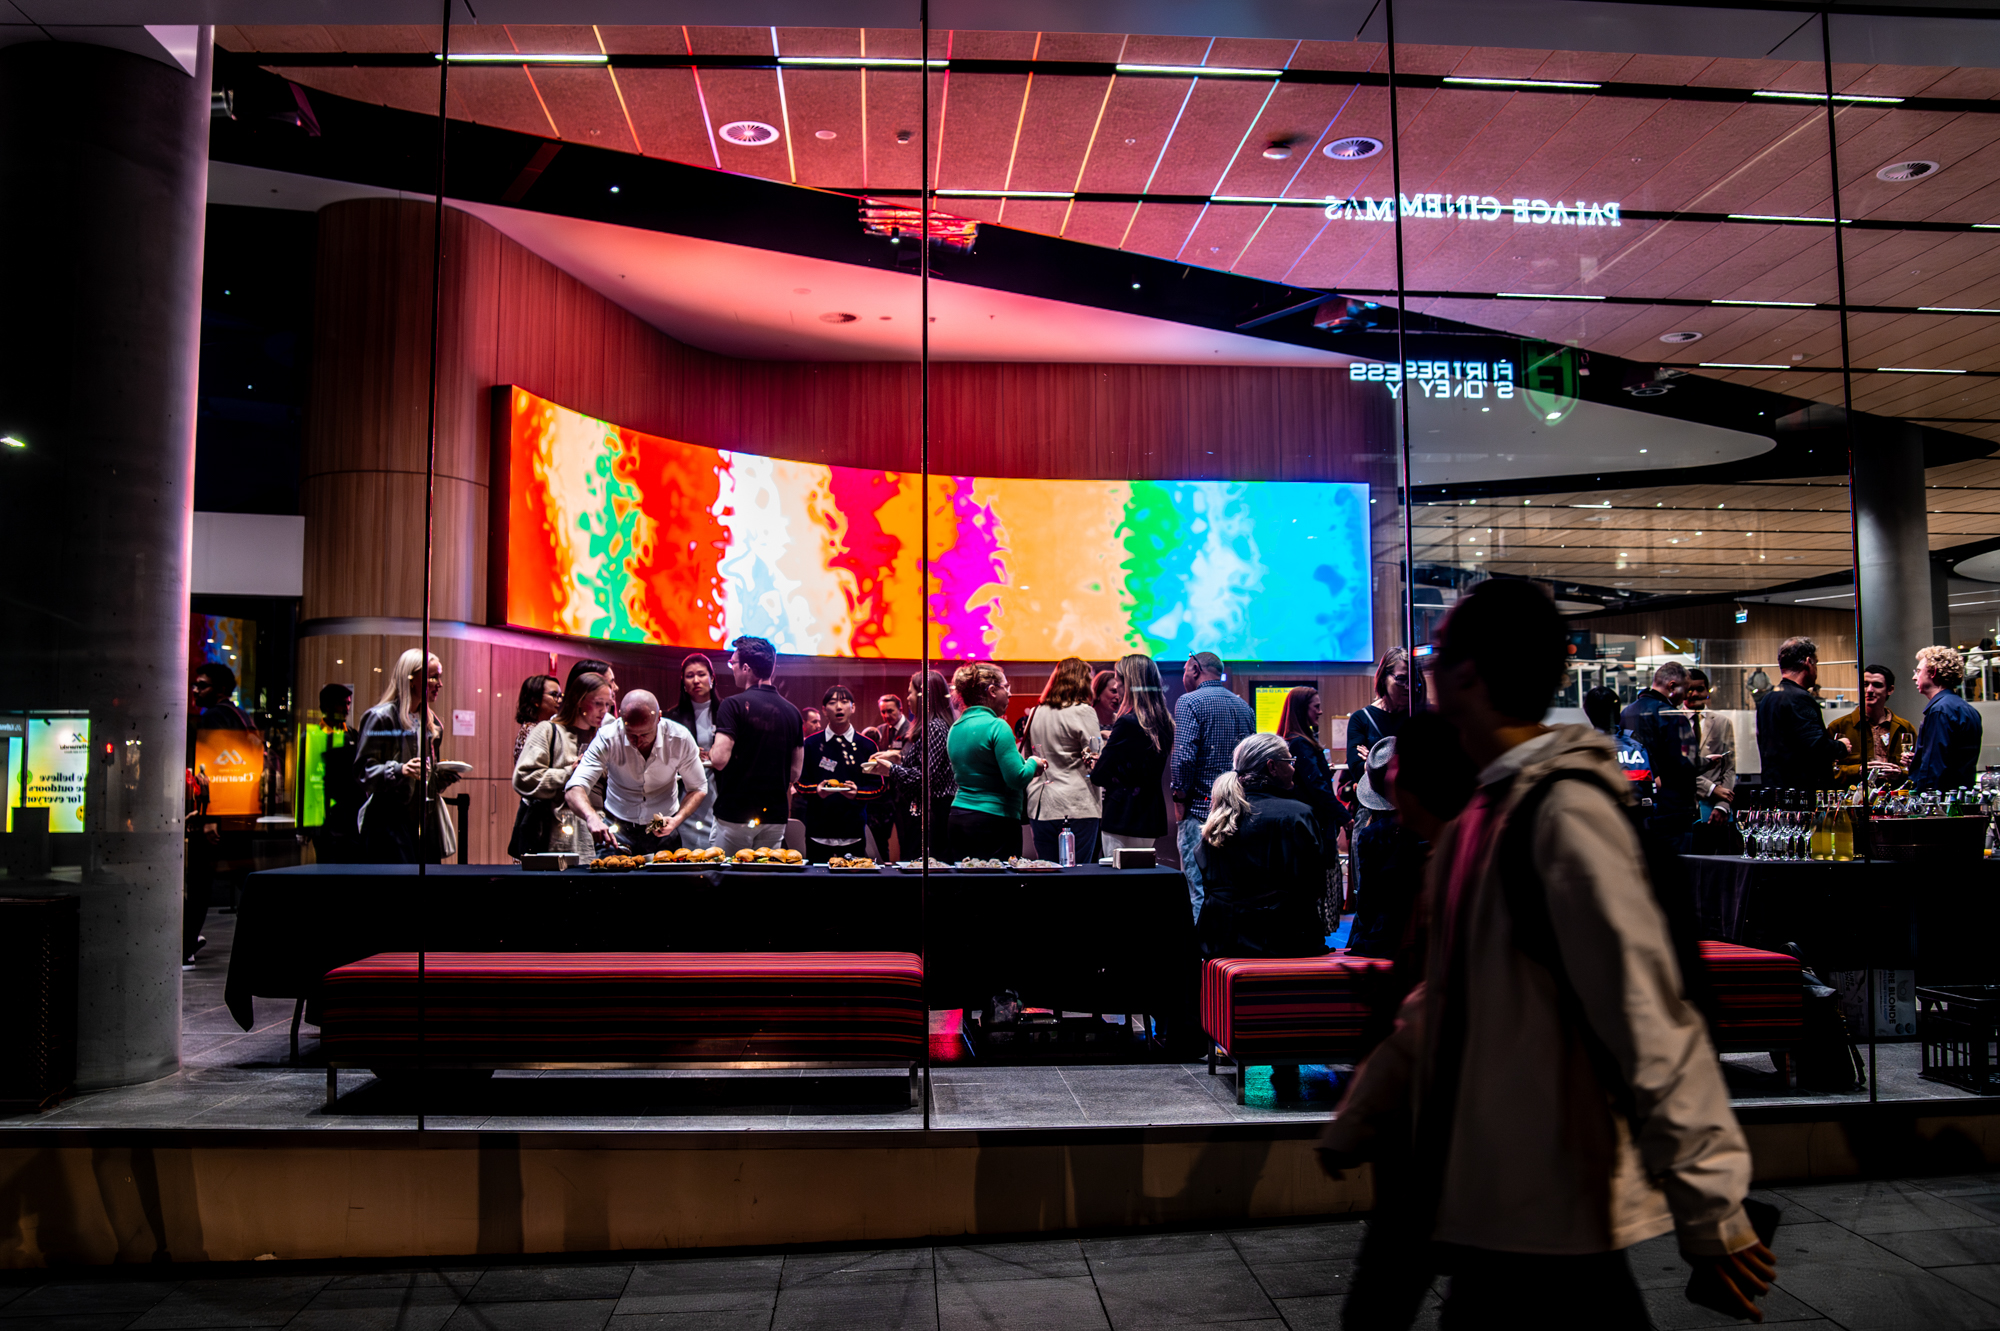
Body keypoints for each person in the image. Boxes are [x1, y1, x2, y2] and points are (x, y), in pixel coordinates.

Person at [1320, 578, 1772, 1330]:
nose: (1426, 675)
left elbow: (1644, 1014)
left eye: (1435, 656)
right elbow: (1448, 1000)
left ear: (1466, 674)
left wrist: (1713, 1208)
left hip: (1554, 1207)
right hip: (1501, 1202)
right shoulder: (1483, 819)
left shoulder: (1561, 813)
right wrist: (1365, 1107)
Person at [1194, 732, 1331, 961]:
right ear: (1273, 767)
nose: (1294, 768)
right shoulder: (1298, 814)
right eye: (1290, 762)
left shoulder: (1220, 816)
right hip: (1285, 941)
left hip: (1219, 941)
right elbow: (1313, 888)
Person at [565, 690, 706, 856]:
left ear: (659, 718)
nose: (638, 742)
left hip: (664, 827)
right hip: (616, 827)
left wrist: (677, 820)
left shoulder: (680, 738)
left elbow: (698, 787)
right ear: (622, 720)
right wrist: (591, 817)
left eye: (645, 734)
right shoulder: (608, 737)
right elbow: (574, 788)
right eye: (631, 734)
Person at [1170, 652, 1256, 921]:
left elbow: (1183, 757)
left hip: (1199, 810)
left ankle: (1198, 960)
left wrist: (1179, 797)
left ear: (1195, 669)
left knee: (1197, 890)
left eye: (1185, 670)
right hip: (1237, 813)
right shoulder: (1245, 708)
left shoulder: (1189, 702)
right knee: (1232, 890)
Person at [353, 648, 460, 864]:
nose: (439, 684)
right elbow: (363, 772)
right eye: (433, 677)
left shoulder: (433, 723)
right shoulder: (380, 718)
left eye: (439, 677)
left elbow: (427, 777)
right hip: (389, 825)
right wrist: (400, 769)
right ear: (411, 679)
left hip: (422, 824)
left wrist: (443, 776)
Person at [185, 661, 256, 965]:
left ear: (221, 689)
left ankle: (185, 946)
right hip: (240, 812)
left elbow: (213, 768)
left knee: (200, 882)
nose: (195, 690)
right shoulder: (243, 717)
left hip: (217, 815)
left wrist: (209, 816)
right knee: (246, 880)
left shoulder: (215, 717)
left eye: (202, 685)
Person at [709, 635, 805, 855]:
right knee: (765, 880)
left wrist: (709, 753)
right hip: (775, 815)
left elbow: (719, 759)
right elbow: (795, 772)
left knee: (729, 879)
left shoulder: (732, 705)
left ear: (746, 668)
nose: (731, 667)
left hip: (736, 814)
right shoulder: (793, 712)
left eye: (733, 663)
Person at [947, 661, 1048, 859]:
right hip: (994, 822)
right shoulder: (998, 726)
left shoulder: (955, 727)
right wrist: (1033, 763)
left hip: (959, 818)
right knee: (998, 888)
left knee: (967, 887)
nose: (1009, 694)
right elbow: (1017, 778)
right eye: (1006, 687)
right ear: (992, 690)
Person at [514, 672, 614, 860]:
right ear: (578, 700)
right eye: (598, 703)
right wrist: (569, 772)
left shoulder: (605, 737)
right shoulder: (549, 730)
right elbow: (523, 778)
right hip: (560, 832)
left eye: (608, 705)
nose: (604, 711)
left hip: (602, 832)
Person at [870, 669, 958, 862]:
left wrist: (890, 770)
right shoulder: (934, 725)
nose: (908, 698)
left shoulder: (934, 727)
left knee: (924, 870)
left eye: (911, 692)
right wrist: (897, 758)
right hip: (932, 812)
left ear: (925, 696)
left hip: (934, 814)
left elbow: (926, 779)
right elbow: (927, 766)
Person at [1093, 654, 1175, 857]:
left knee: (1118, 882)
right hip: (1150, 816)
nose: (1117, 687)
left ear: (1129, 683)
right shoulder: (1165, 722)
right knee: (1141, 882)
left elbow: (1099, 776)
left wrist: (1098, 762)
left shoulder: (1127, 723)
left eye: (1119, 680)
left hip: (1122, 815)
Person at [1024, 656, 1104, 864]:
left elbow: (1027, 758)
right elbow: (1095, 759)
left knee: (1048, 873)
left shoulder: (1035, 713)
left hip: (1041, 805)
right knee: (1077, 876)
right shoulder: (1083, 711)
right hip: (1077, 805)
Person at [800, 685, 884, 862]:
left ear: (853, 708)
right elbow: (799, 783)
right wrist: (817, 790)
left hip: (853, 831)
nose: (839, 707)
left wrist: (857, 793)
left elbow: (878, 786)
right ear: (824, 710)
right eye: (832, 703)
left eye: (844, 702)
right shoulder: (811, 744)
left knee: (851, 887)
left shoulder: (867, 745)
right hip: (818, 831)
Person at [1756, 636, 1850, 792]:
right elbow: (1815, 746)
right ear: (1808, 662)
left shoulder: (1767, 699)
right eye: (1816, 663)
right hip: (1800, 794)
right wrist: (1841, 747)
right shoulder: (1799, 698)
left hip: (1773, 789)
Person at [1621, 661, 1696, 842]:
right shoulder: (1672, 715)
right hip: (1672, 811)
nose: (1686, 696)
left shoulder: (1626, 713)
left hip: (1636, 806)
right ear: (1672, 686)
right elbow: (1687, 764)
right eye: (1685, 690)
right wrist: (1709, 762)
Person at [664, 652, 722, 849]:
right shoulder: (672, 717)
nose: (696, 680)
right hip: (685, 790)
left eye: (701, 674)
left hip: (718, 787)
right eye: (690, 676)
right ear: (683, 682)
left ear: (712, 678)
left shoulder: (726, 711)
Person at [1829, 663, 1917, 788]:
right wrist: (1857, 770)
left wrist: (1900, 773)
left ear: (1890, 690)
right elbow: (1824, 771)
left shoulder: (1905, 728)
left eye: (1877, 685)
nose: (1869, 690)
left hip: (1894, 799)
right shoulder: (1838, 727)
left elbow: (1919, 769)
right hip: (1854, 801)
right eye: (1865, 685)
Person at [1910, 645, 1984, 792]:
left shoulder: (1939, 710)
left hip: (1940, 803)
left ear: (1933, 672)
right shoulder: (1968, 709)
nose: (1914, 677)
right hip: (1960, 797)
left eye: (1918, 671)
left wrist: (1924, 800)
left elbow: (1934, 766)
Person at [314, 682, 363, 866]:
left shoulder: (353, 735)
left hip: (351, 816)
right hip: (326, 818)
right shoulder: (315, 737)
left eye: (348, 703)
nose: (346, 708)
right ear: (326, 706)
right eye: (341, 703)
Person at [1683, 669, 1737, 821]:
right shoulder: (1672, 721)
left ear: (1707, 691)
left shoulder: (1722, 722)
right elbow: (1677, 770)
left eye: (1700, 689)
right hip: (1683, 806)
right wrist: (1711, 789)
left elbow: (1729, 768)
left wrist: (1722, 805)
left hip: (1715, 808)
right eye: (1689, 690)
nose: (1694, 694)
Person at [1584, 684, 1653, 798]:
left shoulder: (1584, 750)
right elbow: (1650, 789)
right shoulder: (1636, 747)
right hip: (1637, 813)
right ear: (1617, 714)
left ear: (1589, 714)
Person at [513, 674, 561, 762]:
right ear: (536, 700)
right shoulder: (532, 731)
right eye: (554, 695)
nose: (560, 700)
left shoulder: (542, 728)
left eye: (560, 695)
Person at [1091, 668, 1123, 737]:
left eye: (1120, 692)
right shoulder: (1085, 719)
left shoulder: (1121, 722)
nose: (1118, 697)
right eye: (1114, 691)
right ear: (1098, 691)